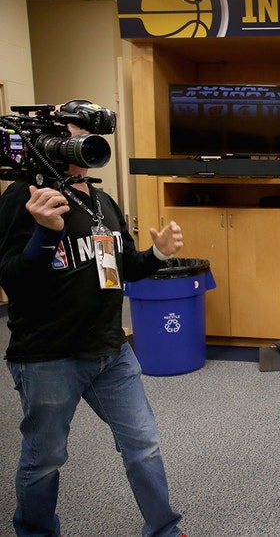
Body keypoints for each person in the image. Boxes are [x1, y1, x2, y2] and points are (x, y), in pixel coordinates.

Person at [0, 103, 187, 537]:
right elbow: (14, 281)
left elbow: (116, 269)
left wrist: (158, 255)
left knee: (143, 446)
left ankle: (163, 529)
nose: (84, 141)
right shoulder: (23, 199)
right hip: (48, 358)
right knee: (45, 459)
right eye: (74, 132)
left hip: (110, 352)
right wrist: (45, 232)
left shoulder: (101, 199)